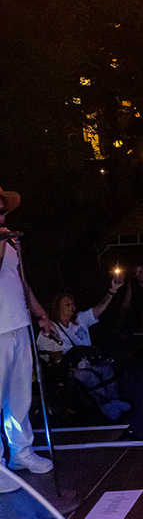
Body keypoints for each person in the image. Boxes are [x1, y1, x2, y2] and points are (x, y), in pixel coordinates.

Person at [0, 187, 57, 490]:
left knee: (20, 396)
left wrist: (41, 315)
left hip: (18, 324)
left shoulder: (8, 242)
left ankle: (20, 453)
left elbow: (20, 280)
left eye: (3, 211)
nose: (2, 216)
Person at [38, 274, 131, 420]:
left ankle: (115, 400)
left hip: (89, 359)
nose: (72, 307)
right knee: (88, 376)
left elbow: (100, 308)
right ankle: (105, 405)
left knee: (107, 369)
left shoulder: (80, 319)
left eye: (72, 304)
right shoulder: (52, 328)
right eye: (67, 305)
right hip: (71, 367)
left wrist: (112, 291)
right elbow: (44, 352)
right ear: (58, 308)